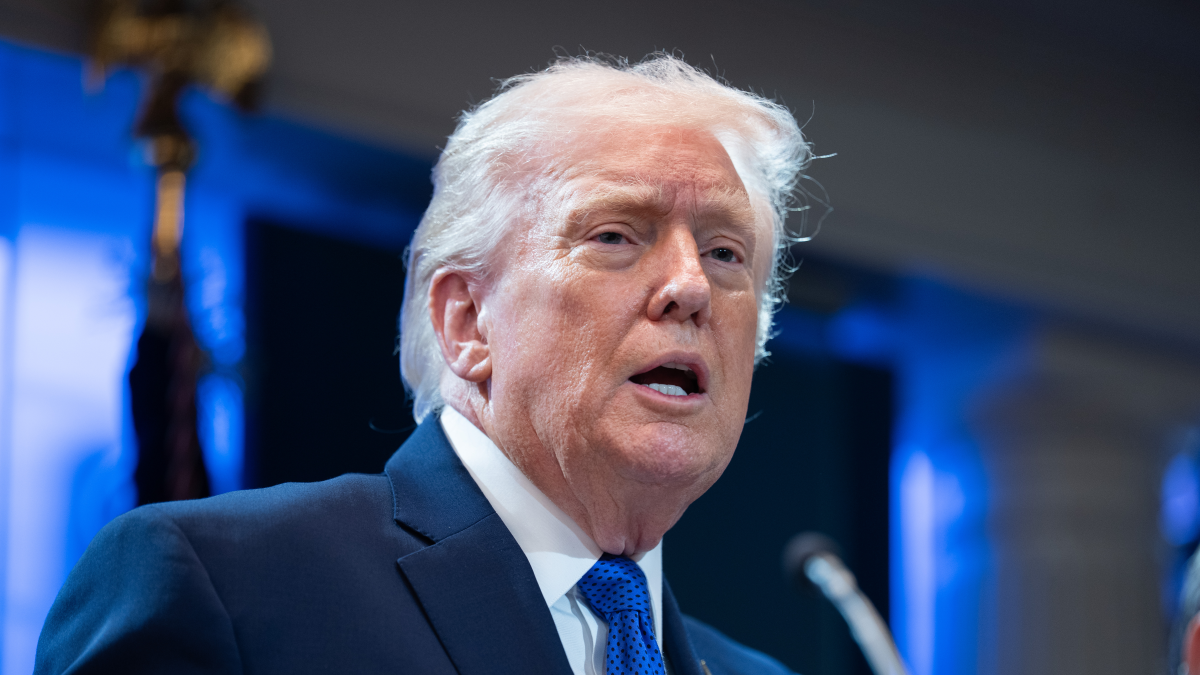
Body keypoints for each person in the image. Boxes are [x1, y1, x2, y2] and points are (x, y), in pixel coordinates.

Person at [35, 53, 811, 675]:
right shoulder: (226, 584)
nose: (689, 286)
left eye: (724, 252)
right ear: (468, 321)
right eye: (615, 235)